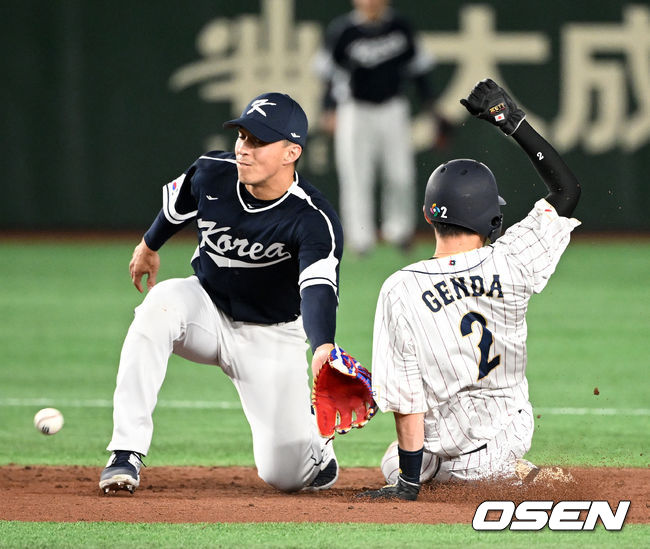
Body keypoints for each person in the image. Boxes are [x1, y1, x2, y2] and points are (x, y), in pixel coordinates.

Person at [99, 92, 344, 494]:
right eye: (243, 137)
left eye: (259, 142)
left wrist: (323, 347)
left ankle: (314, 448)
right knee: (154, 311)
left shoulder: (313, 220)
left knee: (286, 476)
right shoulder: (213, 171)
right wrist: (148, 246)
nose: (244, 150)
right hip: (205, 308)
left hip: (271, 335)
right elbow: (177, 207)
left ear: (291, 153)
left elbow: (317, 288)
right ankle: (126, 451)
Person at [360, 79, 581, 500]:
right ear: (492, 222)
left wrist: (407, 485)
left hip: (445, 446)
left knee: (395, 462)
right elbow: (568, 190)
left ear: (428, 214)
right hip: (508, 432)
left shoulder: (401, 287)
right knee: (423, 458)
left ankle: (492, 473)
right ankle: (516, 472)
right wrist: (511, 122)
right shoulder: (512, 258)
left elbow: (407, 400)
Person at [314, 0, 447, 256]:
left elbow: (419, 72)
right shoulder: (343, 30)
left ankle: (399, 231)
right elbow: (328, 74)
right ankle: (360, 238)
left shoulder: (400, 27)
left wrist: (432, 109)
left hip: (393, 107)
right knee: (355, 175)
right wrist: (328, 108)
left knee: (400, 174)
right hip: (354, 109)